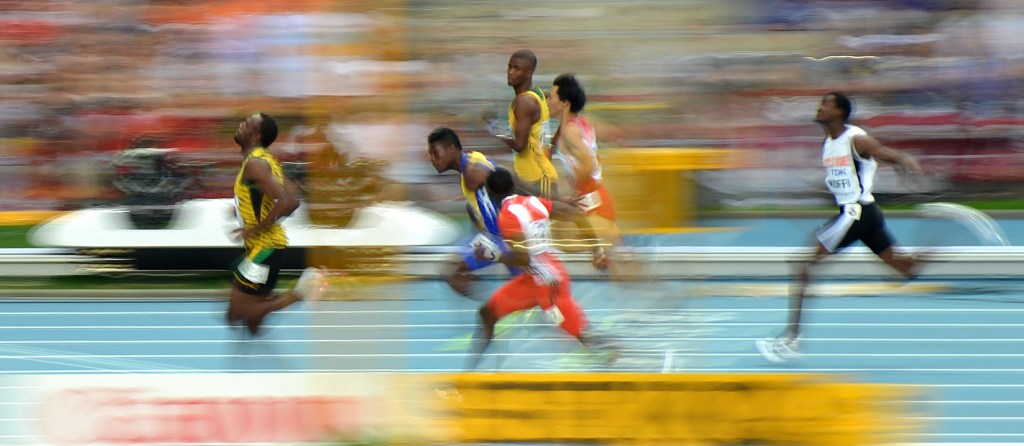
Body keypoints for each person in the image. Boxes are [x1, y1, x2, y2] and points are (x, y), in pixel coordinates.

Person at [757, 92, 924, 363]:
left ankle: (791, 340)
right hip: (865, 215)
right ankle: (942, 244)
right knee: (907, 270)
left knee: (802, 265)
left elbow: (886, 154)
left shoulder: (856, 139)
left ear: (838, 112)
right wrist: (800, 193)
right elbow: (838, 182)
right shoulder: (828, 143)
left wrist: (907, 163)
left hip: (856, 214)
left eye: (825, 104)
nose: (819, 107)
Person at [466, 167, 612, 370]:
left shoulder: (506, 217)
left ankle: (618, 355)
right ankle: (470, 374)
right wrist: (597, 250)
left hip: (549, 286)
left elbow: (523, 257)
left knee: (579, 333)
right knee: (487, 313)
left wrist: (495, 255)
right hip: (532, 281)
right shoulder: (533, 202)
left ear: (492, 195)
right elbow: (575, 214)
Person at [226, 112, 324, 336]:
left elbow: (288, 201)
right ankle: (299, 292)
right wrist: (241, 209)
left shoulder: (255, 164)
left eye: (246, 124)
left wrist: (254, 228)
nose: (240, 125)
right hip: (268, 248)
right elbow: (292, 197)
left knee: (235, 315)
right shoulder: (269, 161)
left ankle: (302, 291)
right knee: (253, 325)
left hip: (263, 250)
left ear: (256, 135)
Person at [546, 73, 621, 262]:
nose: (547, 101)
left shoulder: (569, 132)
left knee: (552, 236)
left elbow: (587, 162)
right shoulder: (580, 122)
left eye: (551, 97)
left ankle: (604, 244)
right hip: (599, 199)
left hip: (592, 205)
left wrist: (574, 191)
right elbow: (610, 133)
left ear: (565, 103)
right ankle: (604, 242)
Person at [497, 49, 559, 198]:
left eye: (517, 68)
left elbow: (519, 145)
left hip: (537, 179)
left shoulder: (524, 102)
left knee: (556, 218)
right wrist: (550, 147)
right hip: (531, 178)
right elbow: (565, 113)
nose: (510, 72)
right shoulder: (540, 94)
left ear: (529, 73)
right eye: (509, 66)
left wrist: (496, 132)